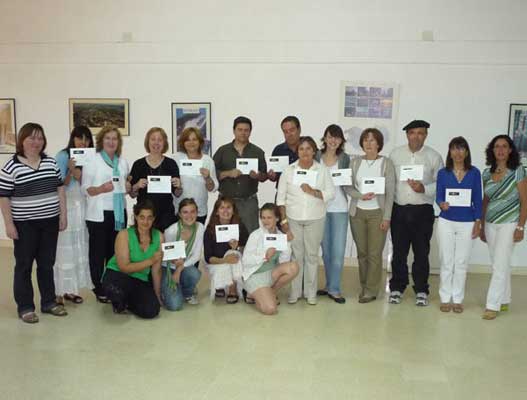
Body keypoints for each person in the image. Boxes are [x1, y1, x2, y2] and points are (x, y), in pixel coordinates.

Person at [0, 123, 68, 323]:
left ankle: (48, 302)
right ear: (22, 140)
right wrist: (9, 224)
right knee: (24, 266)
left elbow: (60, 189)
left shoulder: (50, 163)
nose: (36, 142)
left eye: (40, 138)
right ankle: (26, 307)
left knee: (47, 264)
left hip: (50, 222)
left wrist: (63, 215)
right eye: (32, 138)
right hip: (24, 225)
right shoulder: (10, 167)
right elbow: (4, 198)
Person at [388, 120, 443, 306]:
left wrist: (424, 188)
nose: (416, 136)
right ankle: (397, 287)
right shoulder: (395, 155)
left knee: (421, 252)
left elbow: (440, 183)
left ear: (426, 135)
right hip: (399, 209)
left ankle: (421, 289)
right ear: (407, 135)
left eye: (420, 133)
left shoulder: (434, 156)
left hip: (422, 211)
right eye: (412, 133)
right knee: (399, 252)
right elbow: (389, 182)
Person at [277, 136, 335, 305]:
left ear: (314, 151)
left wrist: (313, 192)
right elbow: (281, 199)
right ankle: (295, 292)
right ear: (297, 151)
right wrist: (284, 221)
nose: (305, 152)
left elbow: (330, 193)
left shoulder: (321, 170)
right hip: (293, 219)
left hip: (315, 218)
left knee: (311, 255)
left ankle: (310, 293)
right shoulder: (289, 170)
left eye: (308, 148)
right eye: (301, 149)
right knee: (297, 256)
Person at [81, 125, 130, 303]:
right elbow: (85, 189)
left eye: (115, 139)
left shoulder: (123, 162)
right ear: (101, 140)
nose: (111, 141)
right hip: (98, 215)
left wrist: (129, 188)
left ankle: (111, 284)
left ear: (119, 142)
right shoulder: (92, 161)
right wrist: (101, 188)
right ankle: (98, 287)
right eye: (108, 138)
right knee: (97, 253)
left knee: (115, 252)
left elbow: (124, 188)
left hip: (118, 214)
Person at [480, 135, 527, 320]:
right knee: (499, 262)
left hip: (510, 222)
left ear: (510, 150)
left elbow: (525, 200)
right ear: (492, 150)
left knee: (499, 264)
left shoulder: (518, 171)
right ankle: (505, 299)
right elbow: (485, 200)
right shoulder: (486, 173)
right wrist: (482, 224)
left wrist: (521, 227)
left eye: (504, 146)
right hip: (491, 223)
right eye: (496, 146)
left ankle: (492, 305)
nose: (500, 150)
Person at [347, 128, 396, 303]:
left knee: (374, 253)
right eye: (365, 140)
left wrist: (387, 217)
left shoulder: (386, 163)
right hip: (357, 213)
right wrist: (361, 196)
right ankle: (364, 285)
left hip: (378, 213)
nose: (368, 143)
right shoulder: (355, 163)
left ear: (379, 144)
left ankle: (371, 290)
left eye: (372, 140)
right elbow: (348, 186)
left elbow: (390, 193)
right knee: (362, 253)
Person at [436, 137, 482, 313]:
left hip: (467, 223)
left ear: (467, 152)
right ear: (450, 152)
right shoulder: (443, 173)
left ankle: (458, 298)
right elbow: (439, 196)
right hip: (446, 221)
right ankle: (445, 298)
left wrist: (478, 221)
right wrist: (441, 204)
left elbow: (477, 199)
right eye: (454, 149)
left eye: (461, 149)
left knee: (461, 262)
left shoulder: (474, 173)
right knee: (446, 261)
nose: (458, 153)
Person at [53, 126, 94, 305]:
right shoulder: (63, 155)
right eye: (79, 138)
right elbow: (59, 184)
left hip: (82, 205)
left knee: (79, 247)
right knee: (63, 248)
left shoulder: (90, 157)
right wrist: (70, 169)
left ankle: (71, 290)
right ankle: (57, 292)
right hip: (67, 204)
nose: (83, 142)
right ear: (73, 139)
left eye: (86, 139)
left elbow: (89, 182)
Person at [102, 200, 162, 318]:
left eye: (149, 218)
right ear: (135, 217)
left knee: (152, 311)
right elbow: (124, 267)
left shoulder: (159, 236)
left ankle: (126, 302)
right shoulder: (124, 235)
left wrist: (157, 295)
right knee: (114, 289)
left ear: (154, 218)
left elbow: (156, 271)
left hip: (139, 279)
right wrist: (150, 261)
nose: (146, 221)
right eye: (142, 217)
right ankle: (120, 300)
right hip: (118, 274)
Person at [242, 203, 299, 314]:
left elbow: (284, 262)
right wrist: (264, 255)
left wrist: (287, 242)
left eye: (269, 217)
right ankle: (252, 293)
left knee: (294, 267)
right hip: (255, 276)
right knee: (270, 309)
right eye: (263, 217)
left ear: (277, 218)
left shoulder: (280, 235)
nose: (265, 221)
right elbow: (246, 261)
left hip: (272, 273)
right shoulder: (256, 235)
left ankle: (270, 292)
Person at [315, 124, 351, 304]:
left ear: (341, 140)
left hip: (339, 209)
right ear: (325, 138)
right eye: (330, 136)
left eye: (337, 137)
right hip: (320, 209)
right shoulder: (316, 157)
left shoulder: (344, 158)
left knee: (337, 251)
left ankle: (335, 289)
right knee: (326, 252)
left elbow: (349, 182)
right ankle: (329, 286)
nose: (333, 140)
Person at [213, 116, 267, 233]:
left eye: (246, 130)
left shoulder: (257, 152)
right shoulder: (222, 151)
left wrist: (258, 176)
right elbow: (212, 174)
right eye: (240, 129)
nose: (243, 133)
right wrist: (228, 173)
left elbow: (264, 176)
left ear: (250, 132)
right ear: (234, 130)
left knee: (250, 236)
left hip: (249, 203)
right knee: (224, 236)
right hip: (226, 203)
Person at [130, 127, 181, 231]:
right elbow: (132, 194)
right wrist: (136, 186)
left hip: (166, 216)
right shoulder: (138, 164)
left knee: (164, 246)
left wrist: (179, 186)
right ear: (147, 142)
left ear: (164, 143)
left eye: (160, 140)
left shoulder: (171, 164)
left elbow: (177, 193)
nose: (156, 143)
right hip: (144, 217)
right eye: (153, 139)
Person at [204, 196, 249, 303]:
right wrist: (225, 260)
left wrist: (238, 247)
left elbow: (247, 250)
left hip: (234, 262)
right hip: (216, 262)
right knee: (229, 258)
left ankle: (232, 288)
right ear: (216, 212)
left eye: (228, 207)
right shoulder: (209, 230)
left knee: (233, 252)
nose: (225, 211)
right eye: (222, 208)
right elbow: (208, 258)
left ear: (233, 211)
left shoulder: (240, 227)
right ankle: (221, 285)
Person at [161, 198, 204, 310]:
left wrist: (179, 269)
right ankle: (168, 287)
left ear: (197, 212)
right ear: (179, 214)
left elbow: (196, 256)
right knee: (175, 305)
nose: (189, 215)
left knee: (195, 274)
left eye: (192, 211)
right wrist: (174, 263)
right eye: (185, 212)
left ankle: (187, 293)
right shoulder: (171, 231)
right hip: (168, 267)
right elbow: (162, 256)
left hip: (183, 266)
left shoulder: (200, 227)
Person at [173, 127, 218, 225]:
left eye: (194, 139)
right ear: (183, 142)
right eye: (187, 140)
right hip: (179, 210)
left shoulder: (207, 160)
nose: (191, 142)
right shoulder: (175, 158)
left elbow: (213, 188)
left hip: (199, 210)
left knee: (197, 238)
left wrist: (208, 178)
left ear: (200, 142)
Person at [268, 116, 301, 185]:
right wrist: (271, 176)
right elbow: (274, 177)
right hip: (282, 193)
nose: (289, 134)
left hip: (303, 193)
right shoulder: (278, 150)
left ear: (299, 130)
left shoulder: (309, 148)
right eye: (285, 132)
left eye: (292, 130)